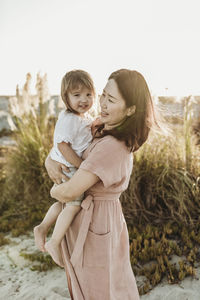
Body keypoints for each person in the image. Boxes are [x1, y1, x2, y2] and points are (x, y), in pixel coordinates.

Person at [45, 69, 159, 300]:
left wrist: (54, 190)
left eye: (112, 99)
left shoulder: (113, 145)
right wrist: (49, 161)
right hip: (87, 219)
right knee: (90, 285)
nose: (103, 104)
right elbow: (63, 148)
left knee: (102, 288)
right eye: (103, 96)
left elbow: (70, 190)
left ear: (130, 109)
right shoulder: (99, 127)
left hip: (98, 223)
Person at [34, 70, 96, 267]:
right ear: (66, 98)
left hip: (67, 166)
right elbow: (62, 145)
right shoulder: (70, 119)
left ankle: (43, 227)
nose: (84, 99)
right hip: (69, 168)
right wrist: (82, 166)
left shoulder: (81, 117)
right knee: (73, 205)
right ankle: (54, 242)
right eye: (77, 95)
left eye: (88, 94)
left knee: (63, 204)